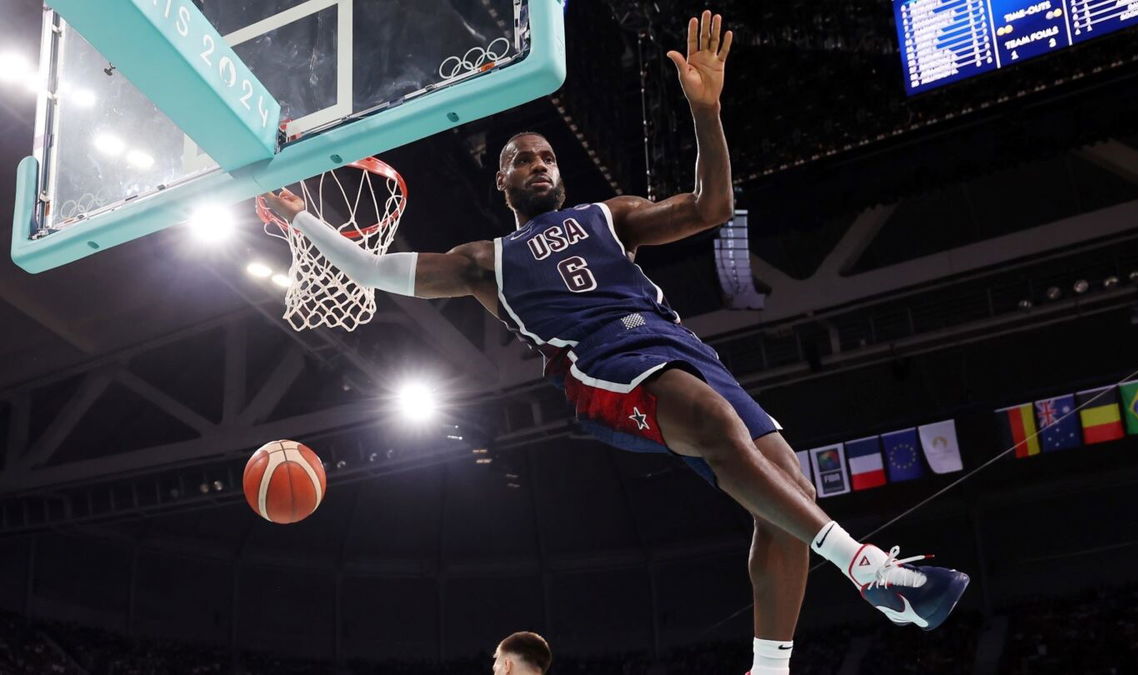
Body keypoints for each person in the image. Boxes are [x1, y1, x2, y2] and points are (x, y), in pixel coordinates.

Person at [263, 10, 969, 674]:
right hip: (603, 367)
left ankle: (769, 667)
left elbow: (711, 207)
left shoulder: (612, 215)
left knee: (790, 491)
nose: (538, 163)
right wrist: (304, 221)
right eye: (520, 159)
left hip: (679, 347)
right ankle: (869, 567)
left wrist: (706, 112)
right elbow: (372, 267)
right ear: (501, 180)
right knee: (716, 425)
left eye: (545, 155)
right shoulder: (486, 260)